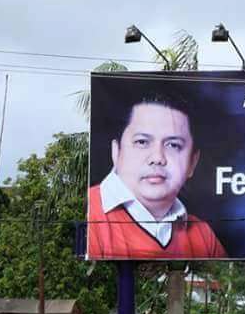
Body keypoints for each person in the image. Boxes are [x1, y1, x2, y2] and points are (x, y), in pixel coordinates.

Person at [88, 93, 227, 259]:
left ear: (192, 162)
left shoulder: (202, 236)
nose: (158, 158)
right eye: (142, 142)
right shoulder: (88, 213)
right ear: (116, 152)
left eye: (173, 145)